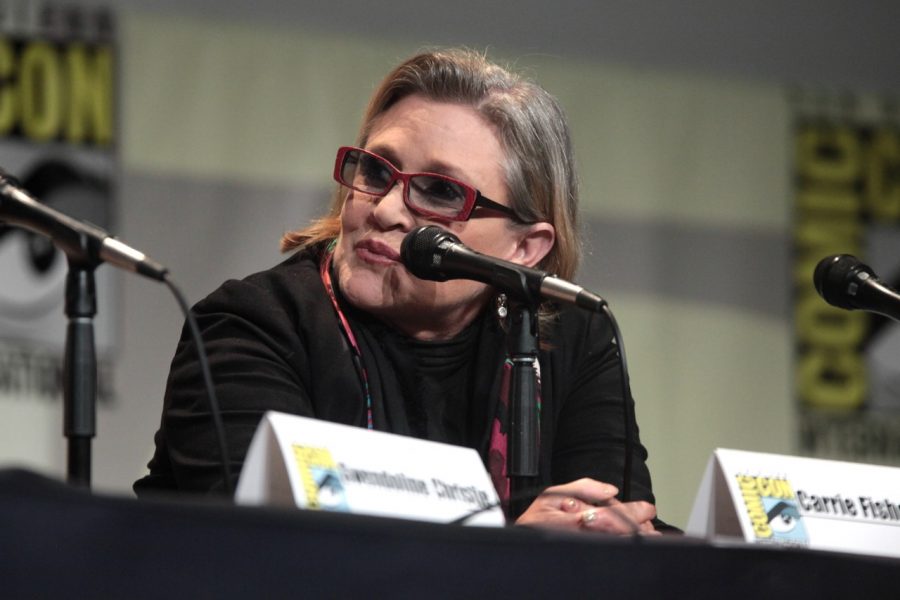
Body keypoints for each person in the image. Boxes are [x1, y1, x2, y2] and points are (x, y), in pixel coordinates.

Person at [135, 48, 667, 535]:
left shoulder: (571, 339)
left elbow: (621, 527)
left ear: (526, 247)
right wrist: (513, 555)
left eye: (438, 191)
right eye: (375, 169)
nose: (385, 210)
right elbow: (272, 555)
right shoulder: (252, 325)